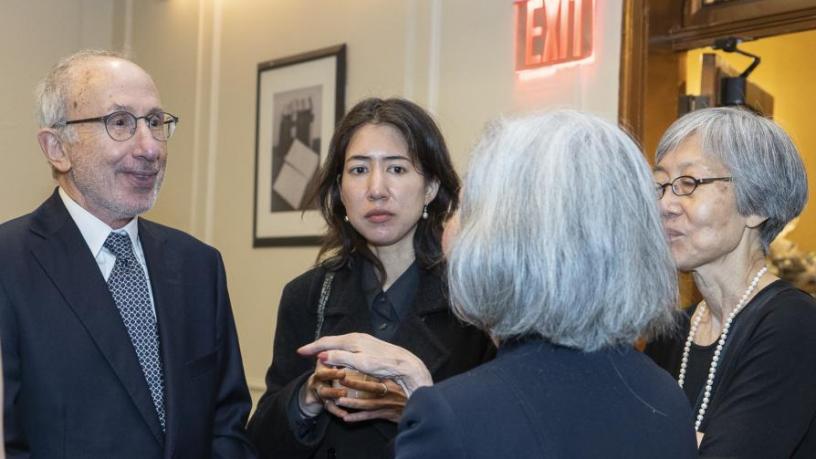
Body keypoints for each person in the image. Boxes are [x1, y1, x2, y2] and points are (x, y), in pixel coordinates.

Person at [380, 110, 694, 458]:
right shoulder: (666, 396)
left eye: (464, 210)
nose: (447, 229)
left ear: (504, 244)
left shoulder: (451, 419)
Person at [0, 50, 255, 458]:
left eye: (155, 122)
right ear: (56, 148)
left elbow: (226, 424)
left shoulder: (198, 266)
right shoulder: (9, 264)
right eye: (120, 123)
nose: (150, 147)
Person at [247, 97, 494, 458]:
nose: (376, 189)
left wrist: (418, 409)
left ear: (431, 187)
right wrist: (308, 396)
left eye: (396, 169)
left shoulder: (474, 298)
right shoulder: (308, 295)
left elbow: (502, 432)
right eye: (359, 170)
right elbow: (260, 444)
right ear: (339, 191)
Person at [646, 107, 816, 457]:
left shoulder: (794, 323)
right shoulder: (672, 331)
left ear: (756, 204)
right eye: (660, 185)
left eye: (688, 183)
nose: (665, 204)